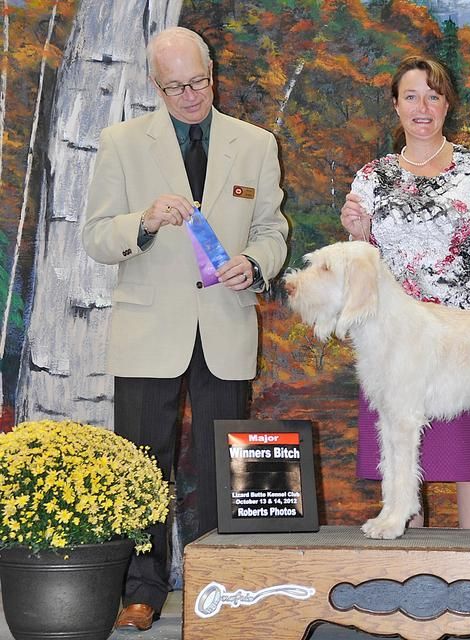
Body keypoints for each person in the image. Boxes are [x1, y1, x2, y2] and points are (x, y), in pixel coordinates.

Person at [82, 27, 288, 631]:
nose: (190, 95)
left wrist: (254, 263)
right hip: (150, 331)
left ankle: (219, 586)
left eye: (198, 82)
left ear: (212, 74)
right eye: (175, 87)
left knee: (225, 464)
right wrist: (141, 223)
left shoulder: (255, 144)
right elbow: (96, 236)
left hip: (225, 325)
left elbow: (272, 231)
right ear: (156, 85)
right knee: (143, 466)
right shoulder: (121, 142)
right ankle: (141, 590)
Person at [340, 55, 470, 531]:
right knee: (403, 471)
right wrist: (358, 234)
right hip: (394, 343)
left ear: (447, 104)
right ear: (395, 106)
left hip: (466, 341)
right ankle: (413, 588)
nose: (422, 106)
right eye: (411, 96)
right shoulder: (371, 176)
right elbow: (361, 268)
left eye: (433, 95)